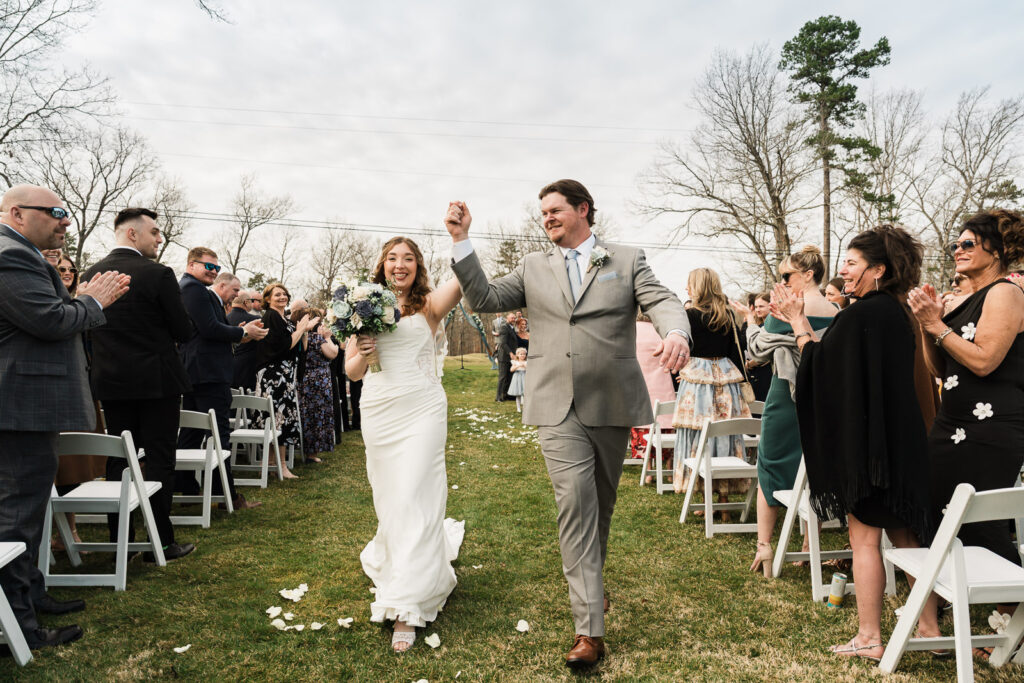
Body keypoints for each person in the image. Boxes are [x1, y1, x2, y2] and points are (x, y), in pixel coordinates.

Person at [445, 179, 691, 669]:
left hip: (611, 401)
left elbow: (661, 300)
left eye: (555, 211)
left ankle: (591, 590)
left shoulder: (625, 259)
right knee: (575, 502)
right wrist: (461, 241)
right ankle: (588, 630)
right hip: (555, 403)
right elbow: (484, 297)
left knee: (599, 504)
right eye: (543, 214)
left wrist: (677, 330)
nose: (547, 219)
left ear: (583, 210)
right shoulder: (534, 267)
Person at [777, 224, 936, 661]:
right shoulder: (900, 311)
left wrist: (797, 322)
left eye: (851, 262)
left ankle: (869, 636)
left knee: (864, 540)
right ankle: (928, 627)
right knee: (907, 537)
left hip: (871, 450)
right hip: (903, 443)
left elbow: (822, 370)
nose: (843, 270)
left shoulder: (863, 314)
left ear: (879, 269)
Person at [0, 184, 129, 650]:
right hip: (18, 409)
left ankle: (31, 595)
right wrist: (93, 301)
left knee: (31, 510)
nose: (65, 221)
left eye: (66, 212)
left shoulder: (23, 253)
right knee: (14, 515)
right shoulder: (9, 256)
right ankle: (16, 626)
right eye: (54, 212)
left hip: (26, 409)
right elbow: (51, 320)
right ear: (16, 212)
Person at [345, 236, 464, 653]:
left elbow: (465, 279)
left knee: (416, 491)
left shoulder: (429, 304)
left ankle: (406, 607)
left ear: (418, 265)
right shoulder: (360, 305)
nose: (400, 265)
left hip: (423, 410)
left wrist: (460, 237)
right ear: (382, 264)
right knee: (392, 498)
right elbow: (353, 372)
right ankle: (405, 563)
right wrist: (363, 350)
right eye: (393, 258)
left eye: (408, 258)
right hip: (379, 409)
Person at [908, 209, 1024, 567]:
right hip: (951, 422)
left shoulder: (1005, 293)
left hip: (990, 427)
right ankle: (957, 593)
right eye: (955, 244)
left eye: (968, 243)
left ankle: (1012, 608)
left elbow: (985, 360)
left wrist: (936, 325)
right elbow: (939, 367)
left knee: (982, 525)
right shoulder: (973, 296)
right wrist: (931, 325)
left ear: (998, 249)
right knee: (939, 510)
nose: (958, 249)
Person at [83, 208, 197, 561]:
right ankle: (160, 542)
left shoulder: (89, 274)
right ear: (132, 234)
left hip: (111, 382)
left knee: (119, 459)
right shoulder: (157, 274)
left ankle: (122, 542)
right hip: (157, 382)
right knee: (160, 457)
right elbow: (183, 330)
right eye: (155, 232)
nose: (159, 239)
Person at [740, 247, 837, 576]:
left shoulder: (786, 309)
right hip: (821, 399)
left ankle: (764, 546)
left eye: (786, 276)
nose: (781, 282)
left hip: (785, 395)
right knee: (814, 466)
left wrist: (750, 323)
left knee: (770, 463)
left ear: (808, 275)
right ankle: (811, 546)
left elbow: (756, 349)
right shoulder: (836, 310)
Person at [178, 249, 268, 510]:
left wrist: (240, 332)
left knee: (192, 431)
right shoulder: (194, 289)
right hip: (208, 373)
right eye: (208, 266)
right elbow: (209, 329)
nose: (213, 270)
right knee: (218, 433)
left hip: (197, 371)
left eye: (216, 267)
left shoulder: (193, 288)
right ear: (192, 265)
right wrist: (242, 333)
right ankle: (227, 496)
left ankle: (188, 490)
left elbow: (206, 330)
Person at [670, 268, 750, 507]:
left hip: (698, 382)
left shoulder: (689, 315)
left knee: (697, 434)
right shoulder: (726, 315)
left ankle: (701, 494)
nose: (686, 289)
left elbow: (684, 348)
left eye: (689, 285)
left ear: (699, 287)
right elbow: (736, 352)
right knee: (724, 433)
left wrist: (682, 369)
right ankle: (724, 494)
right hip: (725, 379)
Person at [255, 283, 318, 479]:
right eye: (277, 295)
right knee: (277, 419)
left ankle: (274, 464)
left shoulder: (283, 318)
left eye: (284, 294)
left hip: (285, 374)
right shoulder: (271, 317)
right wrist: (299, 330)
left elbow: (302, 347)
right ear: (268, 299)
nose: (282, 297)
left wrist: (304, 330)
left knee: (282, 419)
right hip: (274, 376)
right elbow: (285, 345)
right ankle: (280, 466)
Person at [629, 311, 677, 466]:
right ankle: (669, 463)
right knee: (667, 421)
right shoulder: (662, 331)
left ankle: (647, 465)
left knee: (642, 424)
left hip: (640, 382)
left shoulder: (632, 330)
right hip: (662, 383)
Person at [299, 313, 339, 462]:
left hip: (305, 379)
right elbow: (332, 353)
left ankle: (306, 450)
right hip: (319, 381)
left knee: (307, 414)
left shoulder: (303, 337)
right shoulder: (317, 338)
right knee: (317, 416)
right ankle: (312, 454)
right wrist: (328, 337)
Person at [494, 312, 516, 401]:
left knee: (509, 377)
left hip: (511, 357)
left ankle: (506, 395)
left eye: (514, 318)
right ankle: (498, 397)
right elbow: (503, 343)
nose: (513, 319)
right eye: (512, 318)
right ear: (507, 318)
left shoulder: (512, 328)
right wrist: (510, 353)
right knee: (502, 377)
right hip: (504, 356)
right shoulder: (504, 327)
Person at [507, 347, 528, 412]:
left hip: (525, 377)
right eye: (521, 354)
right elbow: (511, 370)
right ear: (517, 355)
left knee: (525, 393)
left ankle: (525, 407)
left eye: (524, 354)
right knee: (518, 393)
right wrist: (518, 366)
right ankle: (518, 407)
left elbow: (530, 369)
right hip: (517, 377)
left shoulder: (526, 362)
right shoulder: (515, 362)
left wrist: (524, 366)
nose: (522, 355)